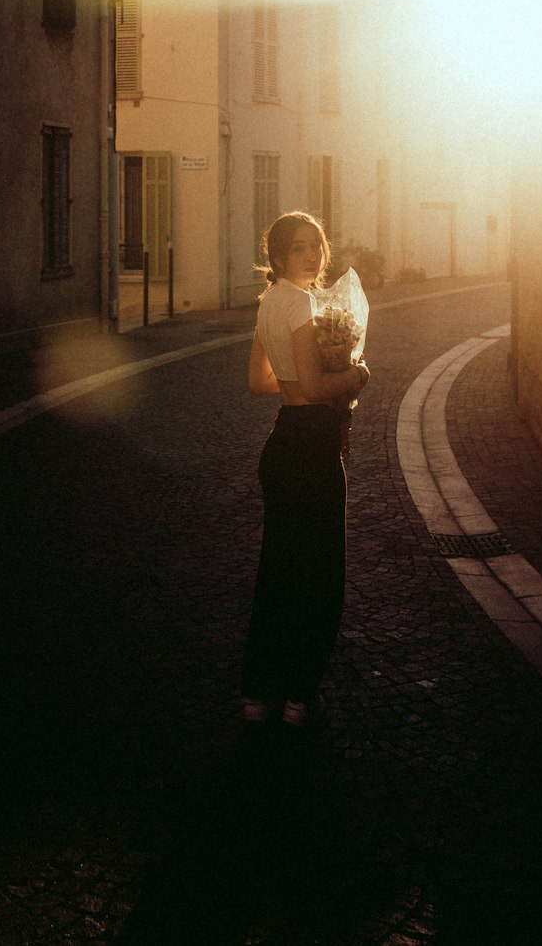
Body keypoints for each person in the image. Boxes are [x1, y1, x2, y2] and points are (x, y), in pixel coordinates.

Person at [241, 210, 370, 730]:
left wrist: (300, 382)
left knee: (277, 574)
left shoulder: (269, 303)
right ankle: (299, 698)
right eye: (299, 248)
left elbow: (260, 381)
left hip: (281, 445)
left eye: (316, 245)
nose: (312, 255)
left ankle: (257, 695)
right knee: (319, 577)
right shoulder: (302, 305)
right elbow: (317, 391)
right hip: (312, 447)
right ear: (276, 256)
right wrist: (355, 374)